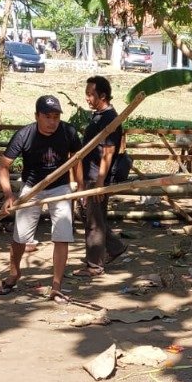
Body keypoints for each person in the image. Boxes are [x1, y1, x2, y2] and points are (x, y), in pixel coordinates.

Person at [0, 95, 83, 300]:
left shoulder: (68, 132)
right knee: (20, 237)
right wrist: (8, 194)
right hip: (32, 188)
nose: (52, 122)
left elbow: (77, 159)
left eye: (56, 117)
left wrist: (80, 186)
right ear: (37, 116)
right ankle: (14, 274)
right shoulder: (24, 135)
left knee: (62, 236)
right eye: (47, 117)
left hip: (60, 188)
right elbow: (3, 166)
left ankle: (56, 285)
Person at [78, 75, 127, 276]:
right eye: (87, 94)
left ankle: (94, 266)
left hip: (97, 176)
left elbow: (108, 151)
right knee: (89, 216)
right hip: (90, 174)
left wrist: (99, 182)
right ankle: (115, 247)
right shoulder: (99, 115)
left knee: (94, 223)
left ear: (103, 96)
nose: (87, 98)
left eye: (91, 94)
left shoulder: (109, 118)